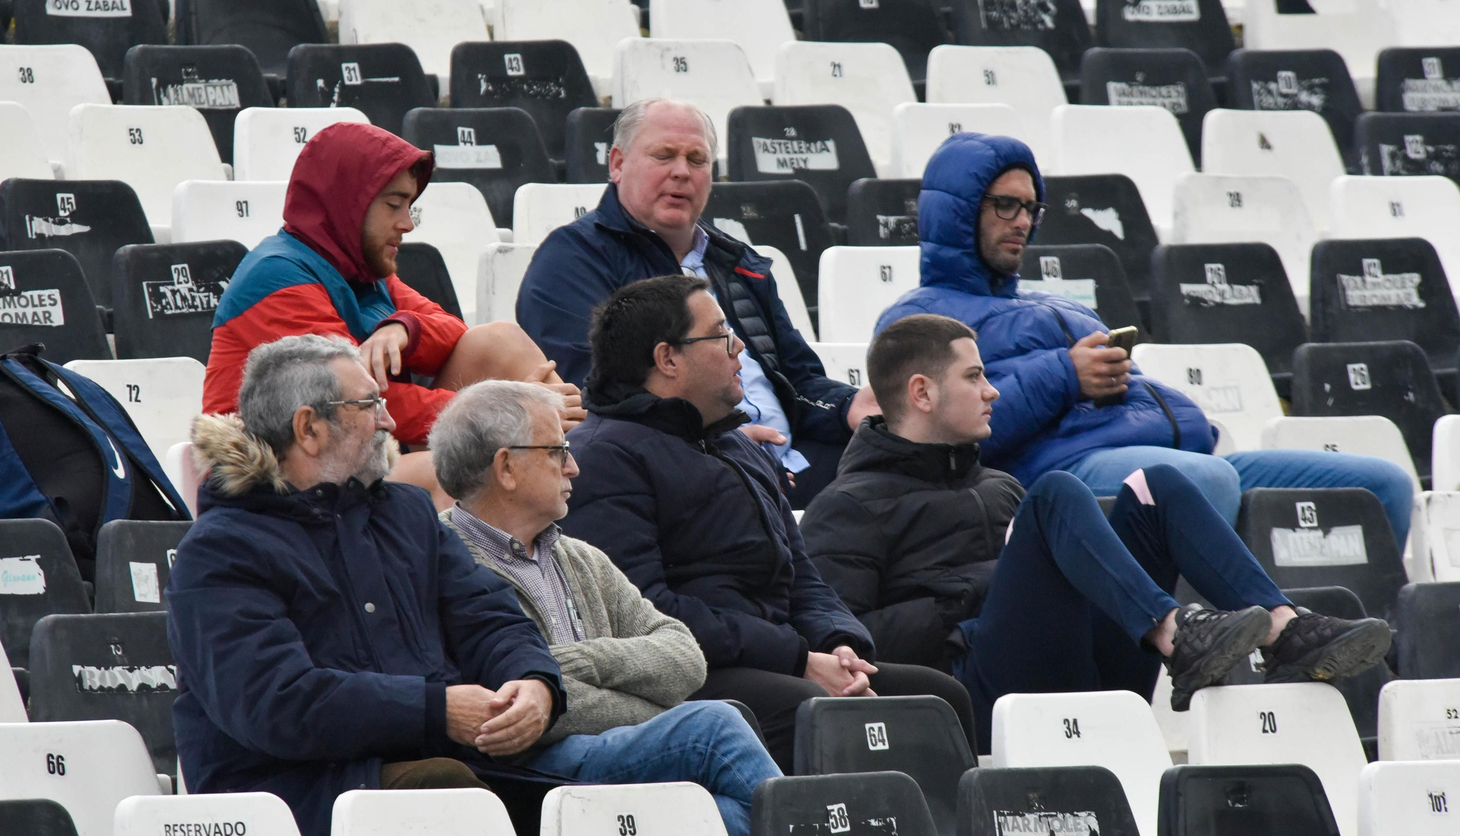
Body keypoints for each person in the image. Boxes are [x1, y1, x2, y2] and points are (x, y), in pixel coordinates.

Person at [801, 314, 1394, 750]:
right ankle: (1174, 635)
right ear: (922, 392)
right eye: (976, 376)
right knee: (1057, 493)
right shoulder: (847, 506)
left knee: (1156, 485)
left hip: (1079, 667)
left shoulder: (998, 486)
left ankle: (1284, 629)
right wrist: (977, 592)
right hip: (980, 697)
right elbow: (848, 652)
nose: (993, 391)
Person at [875, 132, 1415, 546]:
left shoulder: (1056, 304)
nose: (1022, 222)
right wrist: (1067, 375)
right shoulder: (919, 317)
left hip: (1163, 455)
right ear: (959, 209)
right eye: (1005, 205)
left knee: (1382, 484)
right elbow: (937, 433)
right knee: (1207, 482)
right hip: (1054, 476)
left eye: (1031, 208)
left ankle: (1342, 644)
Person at [561, 275, 974, 771]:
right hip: (696, 673)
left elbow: (802, 574)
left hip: (781, 656)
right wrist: (798, 659)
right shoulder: (604, 458)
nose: (740, 349)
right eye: (720, 335)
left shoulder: (736, 445)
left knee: (940, 697)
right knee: (813, 711)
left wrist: (838, 645)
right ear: (668, 358)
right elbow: (648, 611)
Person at [169, 334, 565, 836]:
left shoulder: (408, 513)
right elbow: (279, 704)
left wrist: (533, 684)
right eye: (370, 404)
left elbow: (488, 618)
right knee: (446, 793)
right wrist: (436, 710)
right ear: (308, 428)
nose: (390, 421)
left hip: (445, 770)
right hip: (293, 794)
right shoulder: (222, 549)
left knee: (598, 789)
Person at [427, 379, 782, 836]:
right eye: (558, 451)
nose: (574, 467)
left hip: (604, 751)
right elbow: (510, 702)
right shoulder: (443, 560)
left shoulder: (581, 557)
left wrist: (575, 664)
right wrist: (653, 710)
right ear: (507, 468)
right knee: (712, 725)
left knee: (726, 815)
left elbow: (684, 656)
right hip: (524, 772)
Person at [516, 97, 878, 505]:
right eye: (664, 155)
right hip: (686, 471)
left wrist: (848, 405)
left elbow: (797, 379)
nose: (681, 172)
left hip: (788, 460)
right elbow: (595, 398)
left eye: (697, 159)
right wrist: (721, 441)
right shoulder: (571, 259)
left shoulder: (738, 260)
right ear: (617, 164)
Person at [203, 122, 584, 500]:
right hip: (283, 467)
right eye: (393, 205)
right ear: (347, 201)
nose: (406, 224)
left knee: (498, 341)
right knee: (452, 475)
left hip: (358, 447)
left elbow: (453, 332)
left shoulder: (360, 267)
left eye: (410, 207)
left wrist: (404, 328)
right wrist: (513, 411)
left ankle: (571, 476)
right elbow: (347, 403)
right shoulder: (276, 276)